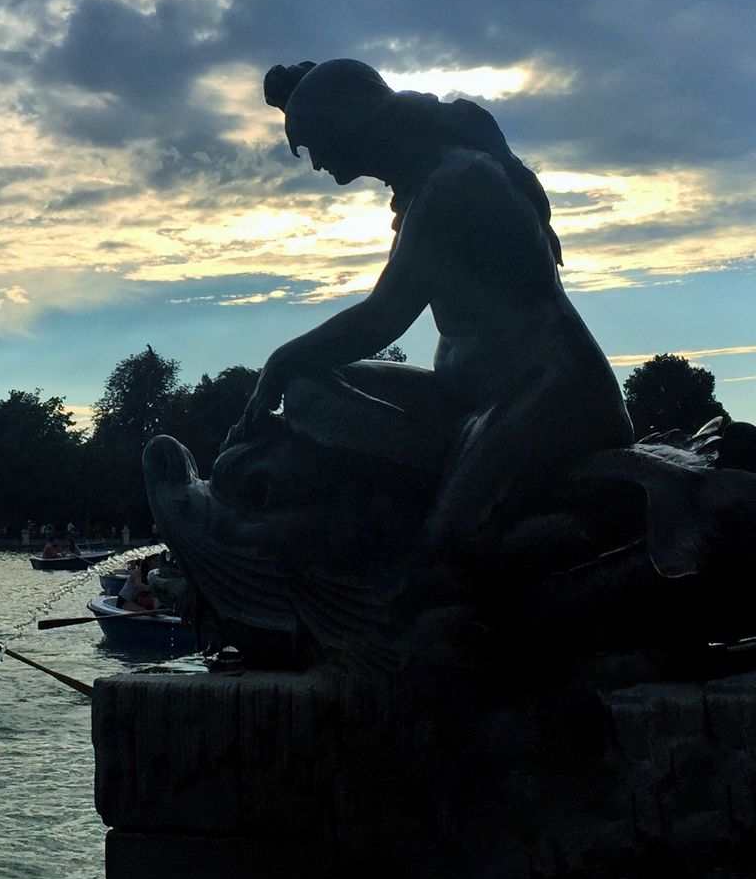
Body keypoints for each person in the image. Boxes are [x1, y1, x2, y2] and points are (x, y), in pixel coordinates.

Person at [224, 59, 633, 563]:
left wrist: (279, 361)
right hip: (472, 395)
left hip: (552, 391)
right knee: (310, 389)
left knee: (447, 547)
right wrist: (289, 371)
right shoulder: (422, 190)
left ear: (348, 123)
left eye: (314, 143)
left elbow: (384, 317)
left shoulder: (458, 182)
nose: (315, 164)